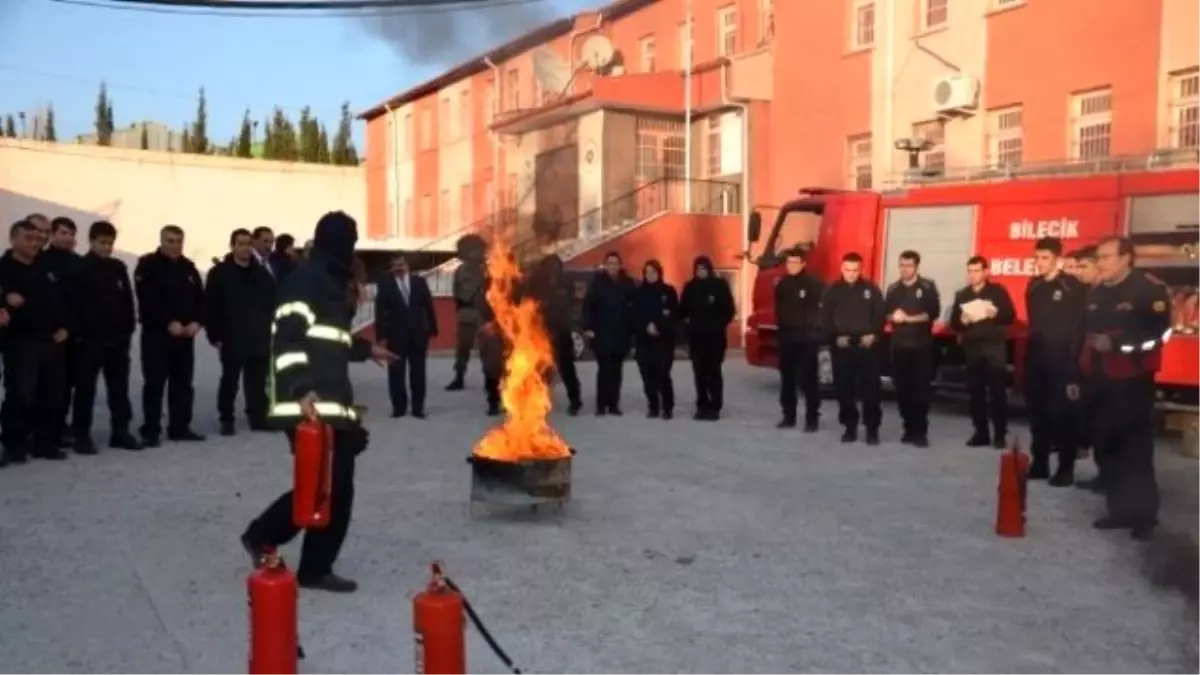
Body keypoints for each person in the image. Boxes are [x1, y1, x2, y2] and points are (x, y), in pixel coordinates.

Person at [241, 211, 396, 592]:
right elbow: (288, 339)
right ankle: (268, 538)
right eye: (349, 239)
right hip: (307, 401)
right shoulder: (306, 280)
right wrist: (300, 389)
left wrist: (365, 349)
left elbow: (329, 340)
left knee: (329, 485)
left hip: (329, 398)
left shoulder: (328, 279)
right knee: (327, 485)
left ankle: (308, 563)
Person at [1078, 236, 1171, 541]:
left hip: (1133, 381)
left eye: (1105, 257)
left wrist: (1119, 345)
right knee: (1109, 445)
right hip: (1101, 381)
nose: (1100, 263)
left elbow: (1162, 336)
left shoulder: (1148, 290)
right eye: (1098, 257)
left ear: (1126, 258)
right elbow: (1088, 335)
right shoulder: (1098, 292)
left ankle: (1144, 516)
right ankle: (1119, 509)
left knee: (1136, 450)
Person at [0, 220, 71, 463]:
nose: (34, 243)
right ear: (13, 239)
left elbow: (64, 300)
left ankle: (44, 443)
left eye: (38, 239)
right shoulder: (4, 269)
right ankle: (14, 444)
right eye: (28, 238)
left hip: (53, 339)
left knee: (51, 394)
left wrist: (66, 327)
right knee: (21, 394)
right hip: (22, 341)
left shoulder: (47, 266)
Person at [70, 221, 142, 454]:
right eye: (102, 243)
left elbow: (127, 300)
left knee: (119, 389)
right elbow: (74, 305)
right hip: (89, 341)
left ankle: (120, 432)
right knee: (85, 389)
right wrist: (80, 334)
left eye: (110, 243)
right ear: (91, 242)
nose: (107, 247)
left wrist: (128, 329)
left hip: (117, 341)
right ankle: (81, 435)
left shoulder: (118, 267)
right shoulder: (79, 268)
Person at [134, 225, 206, 446]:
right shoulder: (148, 265)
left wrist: (198, 321)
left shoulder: (188, 267)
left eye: (179, 241)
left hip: (185, 336)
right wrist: (168, 322)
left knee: (183, 383)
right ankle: (151, 430)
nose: (175, 245)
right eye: (171, 241)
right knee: (155, 383)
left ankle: (179, 427)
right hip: (158, 335)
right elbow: (148, 299)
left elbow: (201, 299)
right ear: (162, 240)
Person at [1025, 237, 1088, 486]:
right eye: (1037, 257)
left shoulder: (1072, 287)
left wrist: (1074, 370)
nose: (1039, 263)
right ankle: (1039, 463)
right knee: (1038, 415)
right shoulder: (1034, 286)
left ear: (1057, 259)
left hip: (1063, 361)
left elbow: (1079, 329)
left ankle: (1065, 468)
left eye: (1045, 258)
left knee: (1063, 416)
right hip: (1038, 359)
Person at [205, 228, 276, 436]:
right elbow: (210, 305)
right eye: (241, 244)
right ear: (233, 246)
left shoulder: (262, 273)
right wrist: (215, 335)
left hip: (258, 335)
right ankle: (226, 418)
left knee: (256, 380)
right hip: (231, 336)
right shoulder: (219, 273)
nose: (245, 248)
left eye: (247, 244)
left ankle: (257, 416)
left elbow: (272, 302)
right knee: (230, 380)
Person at [950, 255, 1016, 449]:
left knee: (997, 392)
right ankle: (981, 432)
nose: (973, 275)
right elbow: (954, 322)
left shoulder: (997, 292)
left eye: (977, 271)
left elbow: (1009, 316)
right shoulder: (962, 294)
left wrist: (995, 313)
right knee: (975, 393)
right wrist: (961, 320)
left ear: (986, 272)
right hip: (972, 348)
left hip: (994, 347)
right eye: (970, 271)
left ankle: (1000, 434)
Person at [821, 252, 886, 444]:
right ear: (842, 268)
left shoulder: (871, 289)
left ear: (861, 269)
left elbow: (880, 315)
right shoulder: (832, 291)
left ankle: (872, 429)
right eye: (847, 270)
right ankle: (849, 428)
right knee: (844, 390)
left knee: (871, 391)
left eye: (855, 270)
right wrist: (835, 338)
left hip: (867, 348)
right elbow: (825, 319)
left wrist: (874, 335)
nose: (851, 273)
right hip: (843, 347)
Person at [884, 250, 941, 447]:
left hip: (921, 346)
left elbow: (932, 313)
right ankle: (908, 427)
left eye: (908, 265)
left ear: (917, 266)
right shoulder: (893, 289)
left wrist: (908, 318)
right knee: (902, 390)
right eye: (901, 265)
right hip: (899, 345)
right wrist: (893, 317)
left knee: (921, 389)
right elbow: (886, 314)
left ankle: (920, 431)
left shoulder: (927, 287)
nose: (904, 269)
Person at [375, 254, 437, 418]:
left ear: (407, 265)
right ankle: (398, 408)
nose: (398, 268)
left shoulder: (419, 282)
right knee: (396, 372)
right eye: (395, 265)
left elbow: (428, 306)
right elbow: (379, 311)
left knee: (418, 372)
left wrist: (432, 329)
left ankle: (418, 408)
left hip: (418, 335)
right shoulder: (385, 284)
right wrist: (380, 335)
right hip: (395, 335)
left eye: (401, 264)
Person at [41, 217, 83, 447]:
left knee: (67, 384)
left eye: (71, 233)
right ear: (52, 235)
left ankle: (59, 427)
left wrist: (72, 328)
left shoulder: (79, 263)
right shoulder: (42, 261)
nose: (68, 237)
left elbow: (83, 301)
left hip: (73, 334)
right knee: (44, 385)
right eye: (63, 233)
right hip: (49, 334)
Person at [773, 248, 825, 431]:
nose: (792, 266)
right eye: (789, 263)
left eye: (796, 262)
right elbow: (779, 311)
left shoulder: (814, 284)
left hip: (807, 339)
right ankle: (789, 416)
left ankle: (812, 419)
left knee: (808, 380)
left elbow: (820, 312)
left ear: (803, 263)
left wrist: (815, 333)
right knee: (787, 379)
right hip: (787, 338)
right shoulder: (782, 285)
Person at [679, 256, 736, 421]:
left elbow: (730, 310)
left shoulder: (720, 286)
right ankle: (702, 405)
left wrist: (719, 325)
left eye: (703, 269)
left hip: (715, 338)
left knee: (714, 372)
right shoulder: (690, 287)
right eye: (697, 269)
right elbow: (683, 311)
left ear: (709, 269)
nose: (700, 272)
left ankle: (715, 406)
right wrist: (687, 326)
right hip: (696, 338)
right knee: (699, 373)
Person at [582, 251, 635, 416]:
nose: (612, 266)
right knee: (604, 369)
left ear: (620, 266)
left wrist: (632, 331)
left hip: (621, 333)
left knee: (617, 371)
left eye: (615, 263)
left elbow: (633, 307)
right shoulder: (597, 283)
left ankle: (613, 404)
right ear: (605, 266)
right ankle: (601, 405)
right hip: (601, 333)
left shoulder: (627, 284)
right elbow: (588, 307)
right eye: (609, 263)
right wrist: (588, 328)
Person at [529, 254, 582, 415]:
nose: (553, 271)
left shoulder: (566, 282)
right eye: (549, 267)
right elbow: (529, 304)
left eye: (556, 267)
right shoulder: (536, 282)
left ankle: (575, 401)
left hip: (562, 332)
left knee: (567, 368)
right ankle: (540, 401)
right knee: (541, 369)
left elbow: (572, 302)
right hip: (542, 332)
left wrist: (569, 321)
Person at [631, 260, 678, 419]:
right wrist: (645, 326)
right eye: (647, 272)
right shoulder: (639, 293)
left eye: (653, 272)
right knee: (647, 375)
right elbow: (634, 315)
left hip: (663, 340)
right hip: (644, 341)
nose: (650, 275)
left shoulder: (668, 291)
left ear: (659, 273)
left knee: (663, 374)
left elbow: (673, 314)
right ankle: (653, 406)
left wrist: (657, 325)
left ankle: (667, 407)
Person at [446, 248, 485, 391]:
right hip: (466, 314)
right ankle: (459, 377)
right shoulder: (460, 271)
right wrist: (460, 308)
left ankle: (490, 380)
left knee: (487, 349)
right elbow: (455, 290)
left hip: (483, 315)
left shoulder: (487, 270)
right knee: (463, 348)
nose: (475, 255)